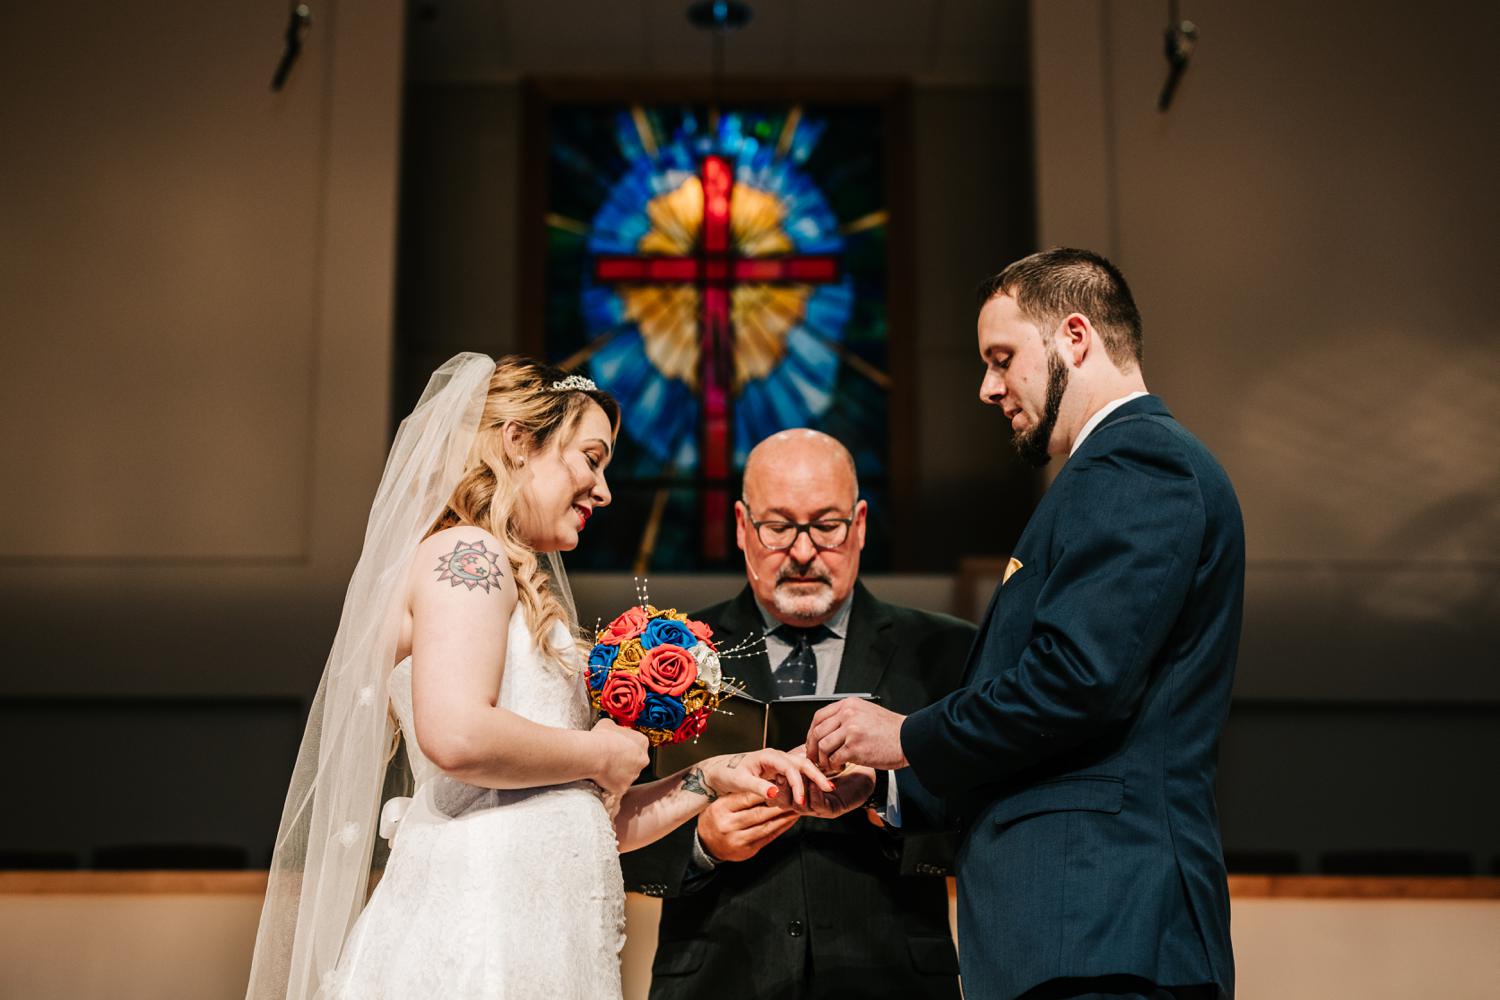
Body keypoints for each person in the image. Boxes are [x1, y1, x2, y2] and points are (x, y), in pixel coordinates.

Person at [245, 355, 832, 1000]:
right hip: (478, 939)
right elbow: (458, 734)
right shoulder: (467, 553)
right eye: (590, 457)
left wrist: (704, 778)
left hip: (544, 940)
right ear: (519, 442)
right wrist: (600, 751)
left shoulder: (512, 579)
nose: (604, 491)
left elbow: (578, 816)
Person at [806, 249, 1243, 1000]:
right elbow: (1061, 730)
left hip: (1105, 930)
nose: (987, 387)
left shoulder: (1139, 463)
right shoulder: (1107, 473)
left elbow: (1078, 682)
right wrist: (891, 788)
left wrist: (903, 737)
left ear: (1074, 337)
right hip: (1076, 932)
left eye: (1003, 359)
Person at [621, 429, 974, 1000]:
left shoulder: (945, 652)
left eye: (827, 527)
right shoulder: (669, 655)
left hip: (891, 976)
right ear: (741, 526)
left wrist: (889, 797)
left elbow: (988, 816)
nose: (804, 552)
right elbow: (605, 828)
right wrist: (700, 843)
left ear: (860, 525)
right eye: (779, 528)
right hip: (720, 977)